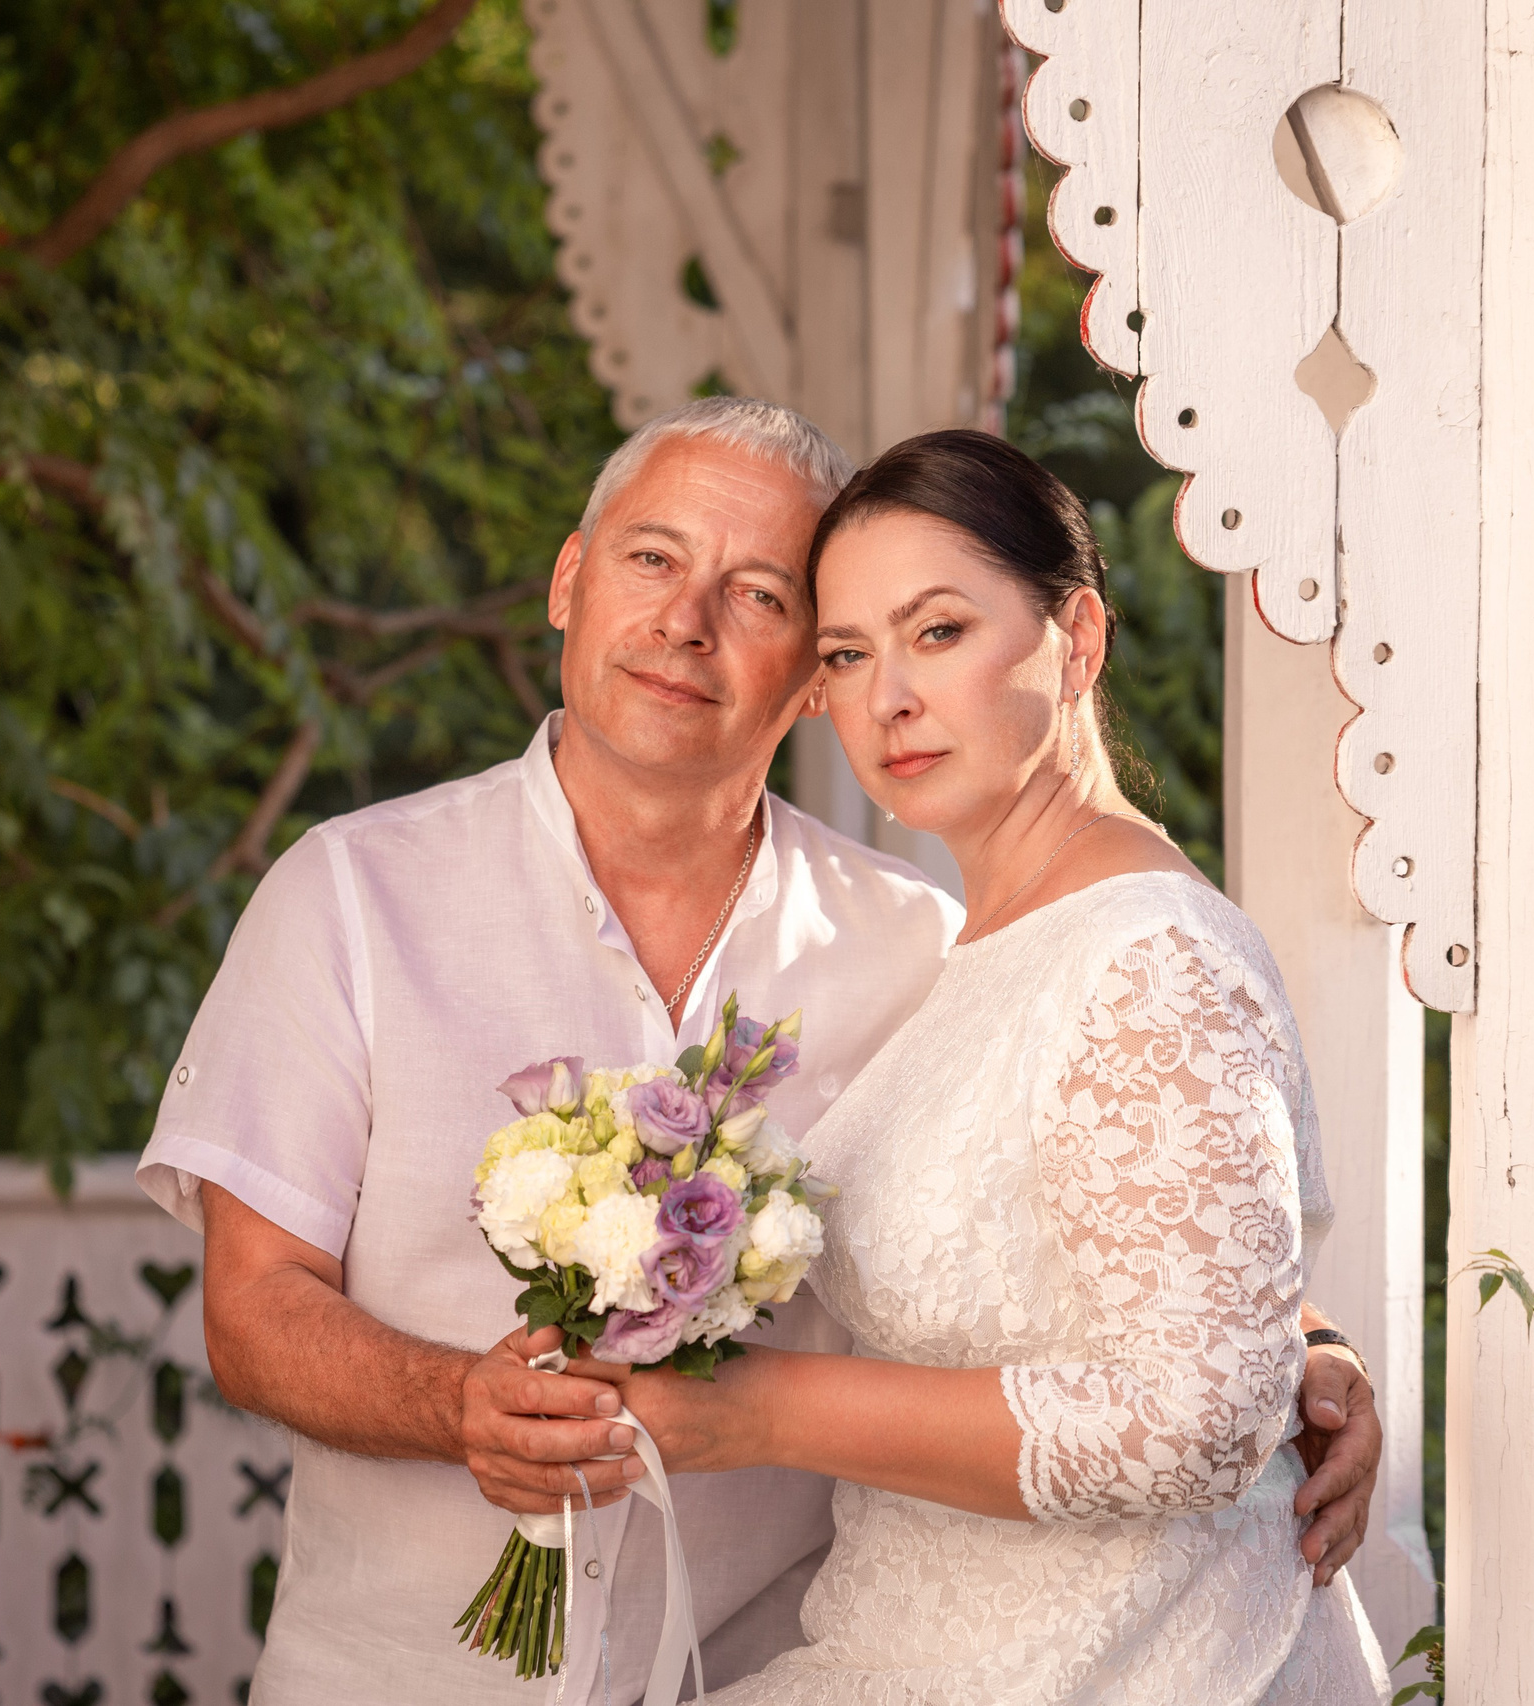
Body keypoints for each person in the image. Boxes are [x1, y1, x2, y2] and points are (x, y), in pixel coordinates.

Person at [135, 399, 1383, 1705]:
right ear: (568, 582)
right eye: (652, 559)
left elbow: (1123, 1215)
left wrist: (1308, 1350)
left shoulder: (925, 945)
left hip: (757, 1663)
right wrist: (458, 1402)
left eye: (760, 597)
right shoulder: (348, 895)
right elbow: (252, 1308)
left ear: (804, 680)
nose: (686, 620)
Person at [569, 428, 1391, 1702]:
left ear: (1078, 638)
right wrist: (1303, 1335)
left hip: (1142, 1661)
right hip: (928, 1642)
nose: (887, 696)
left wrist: (760, 1409)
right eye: (848, 653)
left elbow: (1201, 1417)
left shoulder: (1150, 954)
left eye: (939, 631)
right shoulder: (978, 946)